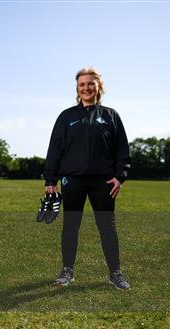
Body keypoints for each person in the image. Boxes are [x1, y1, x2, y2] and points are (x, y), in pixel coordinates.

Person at [43, 67, 131, 290]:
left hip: (103, 182)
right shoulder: (66, 117)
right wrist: (50, 181)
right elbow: (54, 150)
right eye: (82, 84)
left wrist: (120, 177)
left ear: (98, 86)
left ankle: (115, 273)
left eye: (90, 83)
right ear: (77, 88)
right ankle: (67, 271)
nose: (86, 88)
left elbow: (123, 151)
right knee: (70, 226)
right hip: (72, 181)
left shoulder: (111, 115)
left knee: (107, 227)